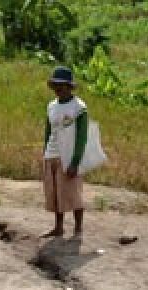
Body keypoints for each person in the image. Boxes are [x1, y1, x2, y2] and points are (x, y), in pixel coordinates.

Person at [41, 65, 87, 238]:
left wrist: (75, 161)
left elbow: (82, 136)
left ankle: (78, 228)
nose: (58, 89)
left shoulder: (79, 107)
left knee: (73, 193)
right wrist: (45, 151)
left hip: (68, 157)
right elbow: (48, 130)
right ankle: (58, 227)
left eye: (62, 85)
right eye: (56, 85)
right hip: (51, 155)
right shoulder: (51, 106)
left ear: (69, 86)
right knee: (54, 193)